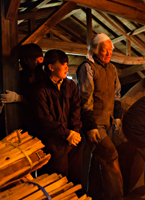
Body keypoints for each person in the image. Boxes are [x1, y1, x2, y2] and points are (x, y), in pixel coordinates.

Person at [76, 33, 123, 200]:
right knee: (110, 156)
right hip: (95, 123)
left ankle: (93, 195)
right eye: (104, 51)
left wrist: (117, 116)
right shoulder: (87, 68)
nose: (108, 54)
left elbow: (116, 94)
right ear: (95, 50)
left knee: (99, 160)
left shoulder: (112, 69)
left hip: (108, 122)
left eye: (110, 50)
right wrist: (90, 126)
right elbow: (85, 98)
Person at [31, 49, 84, 185]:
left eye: (67, 64)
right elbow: (44, 119)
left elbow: (76, 109)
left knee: (76, 178)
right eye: (63, 64)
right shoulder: (41, 89)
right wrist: (66, 133)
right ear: (51, 67)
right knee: (57, 179)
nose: (66, 67)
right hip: (54, 142)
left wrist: (75, 132)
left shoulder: (70, 85)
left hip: (73, 140)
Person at [0, 43, 45, 129]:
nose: (40, 63)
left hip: (41, 123)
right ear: (26, 60)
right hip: (24, 122)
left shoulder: (44, 77)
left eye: (41, 59)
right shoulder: (18, 77)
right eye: (37, 60)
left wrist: (19, 98)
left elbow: (42, 102)